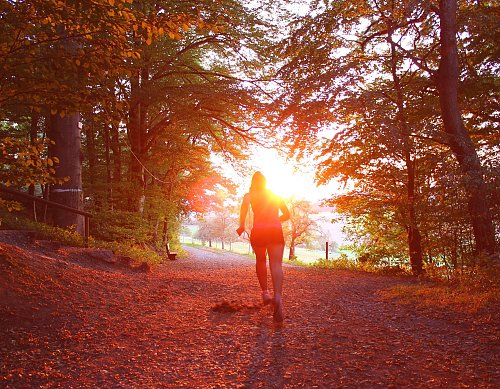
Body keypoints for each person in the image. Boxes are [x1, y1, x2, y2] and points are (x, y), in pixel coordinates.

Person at [236, 171, 290, 322]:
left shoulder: (249, 196)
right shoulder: (275, 195)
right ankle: (278, 297)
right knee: (276, 264)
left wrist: (241, 226)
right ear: (265, 183)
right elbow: (287, 214)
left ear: (253, 182)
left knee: (261, 260)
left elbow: (243, 212)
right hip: (275, 231)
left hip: (259, 231)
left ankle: (265, 293)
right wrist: (275, 219)